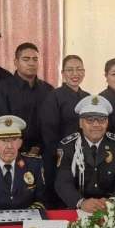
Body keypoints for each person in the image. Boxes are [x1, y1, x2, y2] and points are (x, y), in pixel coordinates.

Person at [55, 95, 115, 212]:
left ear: (107, 122)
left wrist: (113, 201)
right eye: (90, 120)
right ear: (81, 123)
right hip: (78, 208)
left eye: (101, 119)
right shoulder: (67, 146)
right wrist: (81, 202)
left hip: (110, 208)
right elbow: (62, 181)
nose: (96, 124)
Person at [40, 55, 89, 202]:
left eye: (79, 69)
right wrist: (63, 155)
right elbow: (48, 131)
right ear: (62, 73)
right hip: (60, 158)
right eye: (70, 70)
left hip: (84, 158)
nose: (75, 74)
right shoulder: (53, 97)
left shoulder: (87, 97)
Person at [0, 42, 54, 155]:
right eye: (26, 59)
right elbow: (2, 122)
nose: (31, 63)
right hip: (13, 151)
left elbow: (51, 124)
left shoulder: (48, 89)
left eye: (35, 60)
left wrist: (38, 147)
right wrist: (23, 148)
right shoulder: (4, 88)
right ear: (16, 62)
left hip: (44, 151)